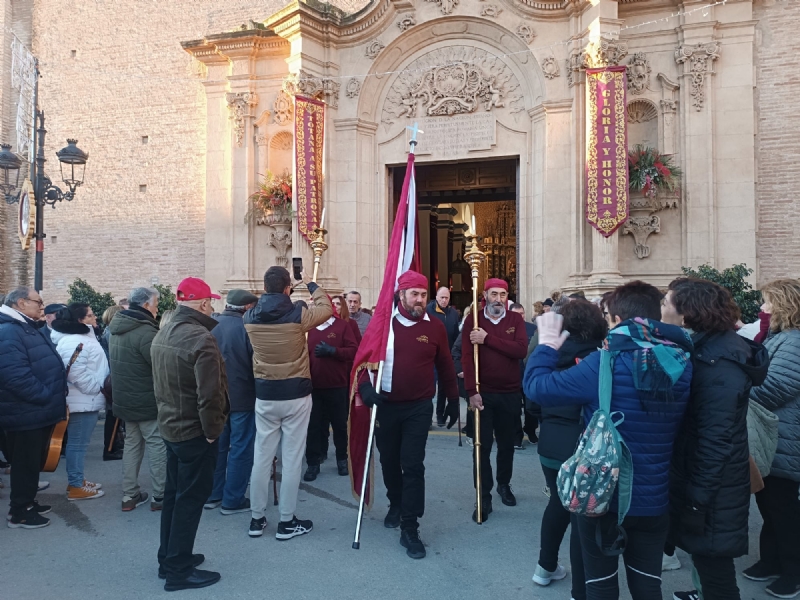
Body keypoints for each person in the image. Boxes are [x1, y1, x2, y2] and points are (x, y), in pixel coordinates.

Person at [524, 281, 693, 600]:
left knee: (601, 585)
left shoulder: (605, 363)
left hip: (604, 498)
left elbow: (536, 387)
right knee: (648, 584)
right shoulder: (683, 363)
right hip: (655, 499)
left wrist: (546, 344)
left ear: (616, 319)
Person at [660, 278, 768, 600]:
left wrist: (697, 499)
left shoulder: (718, 364)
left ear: (688, 313)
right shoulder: (709, 348)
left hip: (713, 489)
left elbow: (715, 439)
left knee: (716, 570)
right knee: (707, 562)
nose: (662, 307)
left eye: (667, 302)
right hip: (710, 484)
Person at [357, 270, 459, 559]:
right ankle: (396, 503)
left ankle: (410, 527)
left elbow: (446, 365)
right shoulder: (383, 326)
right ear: (400, 295)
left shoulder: (436, 327)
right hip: (386, 406)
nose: (419, 299)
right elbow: (364, 362)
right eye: (414, 294)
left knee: (412, 464)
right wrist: (365, 389)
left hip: (419, 407)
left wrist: (452, 398)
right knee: (389, 460)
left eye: (423, 294)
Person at [150, 277, 229, 591]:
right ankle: (178, 571)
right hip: (193, 431)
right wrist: (211, 432)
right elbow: (210, 394)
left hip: (172, 426)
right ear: (203, 303)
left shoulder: (165, 330)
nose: (212, 306)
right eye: (210, 301)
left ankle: (169, 557)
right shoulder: (200, 337)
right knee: (188, 500)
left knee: (174, 496)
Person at [244, 267, 332, 540]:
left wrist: (284, 293)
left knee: (261, 457)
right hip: (296, 393)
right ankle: (286, 521)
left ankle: (257, 519)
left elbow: (271, 305)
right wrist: (308, 282)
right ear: (286, 288)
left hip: (266, 393)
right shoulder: (298, 314)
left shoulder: (249, 317)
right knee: (292, 459)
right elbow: (326, 307)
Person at [533, 299, 607, 597]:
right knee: (582, 517)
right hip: (580, 444)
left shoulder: (547, 352)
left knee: (557, 503)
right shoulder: (596, 358)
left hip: (550, 443)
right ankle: (582, 585)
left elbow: (533, 396)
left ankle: (544, 566)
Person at [744, 279, 800, 599]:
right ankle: (770, 561)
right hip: (777, 436)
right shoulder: (781, 338)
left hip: (785, 437)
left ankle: (793, 573)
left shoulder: (793, 342)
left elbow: (774, 388)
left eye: (767, 302)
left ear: (783, 305)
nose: (762, 309)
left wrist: (733, 386)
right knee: (770, 503)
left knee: (782, 507)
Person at [461, 278, 528, 522]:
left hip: (509, 393)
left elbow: (520, 350)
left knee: (507, 444)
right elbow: (467, 358)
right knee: (481, 447)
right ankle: (484, 495)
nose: (498, 299)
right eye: (493, 294)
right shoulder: (473, 320)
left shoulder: (515, 320)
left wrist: (488, 339)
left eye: (502, 294)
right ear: (485, 295)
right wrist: (471, 390)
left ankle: (504, 484)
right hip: (483, 393)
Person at [0, 287, 67, 529]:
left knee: (29, 463)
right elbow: (14, 376)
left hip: (31, 410)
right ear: (20, 302)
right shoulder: (8, 330)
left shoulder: (22, 326)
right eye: (38, 301)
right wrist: (45, 396)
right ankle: (20, 512)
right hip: (25, 411)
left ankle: (27, 502)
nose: (42, 306)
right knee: (24, 463)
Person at [109, 286, 167, 512]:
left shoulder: (115, 328)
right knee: (156, 445)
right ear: (145, 305)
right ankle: (160, 495)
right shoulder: (145, 332)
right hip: (146, 399)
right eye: (155, 304)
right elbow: (160, 366)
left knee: (132, 446)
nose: (157, 308)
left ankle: (129, 495)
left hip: (124, 399)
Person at [204, 289, 259, 515]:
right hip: (242, 397)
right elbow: (255, 364)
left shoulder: (211, 326)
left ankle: (213, 494)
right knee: (241, 448)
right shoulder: (246, 329)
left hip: (216, 397)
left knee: (218, 447)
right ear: (247, 307)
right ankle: (232, 499)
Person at [51, 303, 110, 501]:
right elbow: (74, 370)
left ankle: (78, 480)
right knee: (78, 444)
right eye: (91, 315)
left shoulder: (81, 338)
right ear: (80, 320)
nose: (95, 318)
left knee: (79, 443)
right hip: (83, 399)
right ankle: (76, 485)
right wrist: (95, 387)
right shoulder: (75, 340)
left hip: (85, 398)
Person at [303, 291, 358, 481]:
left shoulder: (342, 327)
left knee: (340, 425)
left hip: (337, 385)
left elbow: (353, 351)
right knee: (314, 427)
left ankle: (342, 459)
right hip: (313, 386)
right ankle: (313, 462)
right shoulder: (308, 329)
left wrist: (333, 351)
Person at [427, 287, 460, 426]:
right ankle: (427, 418)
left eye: (446, 298)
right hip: (429, 355)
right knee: (428, 387)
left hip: (446, 355)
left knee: (443, 388)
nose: (444, 300)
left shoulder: (453, 313)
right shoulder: (428, 310)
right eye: (442, 297)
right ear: (436, 297)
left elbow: (456, 335)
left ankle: (440, 416)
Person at [511, 302, 538, 447]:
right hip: (513, 375)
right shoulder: (506, 329)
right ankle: (517, 436)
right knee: (515, 408)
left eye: (521, 314)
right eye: (516, 315)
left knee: (530, 407)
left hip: (529, 374)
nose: (519, 317)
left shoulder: (532, 329)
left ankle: (531, 430)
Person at [101, 304, 125, 461]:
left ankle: (113, 446)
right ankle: (110, 448)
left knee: (113, 416)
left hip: (111, 376)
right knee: (112, 416)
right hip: (114, 377)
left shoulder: (108, 332)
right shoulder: (112, 334)